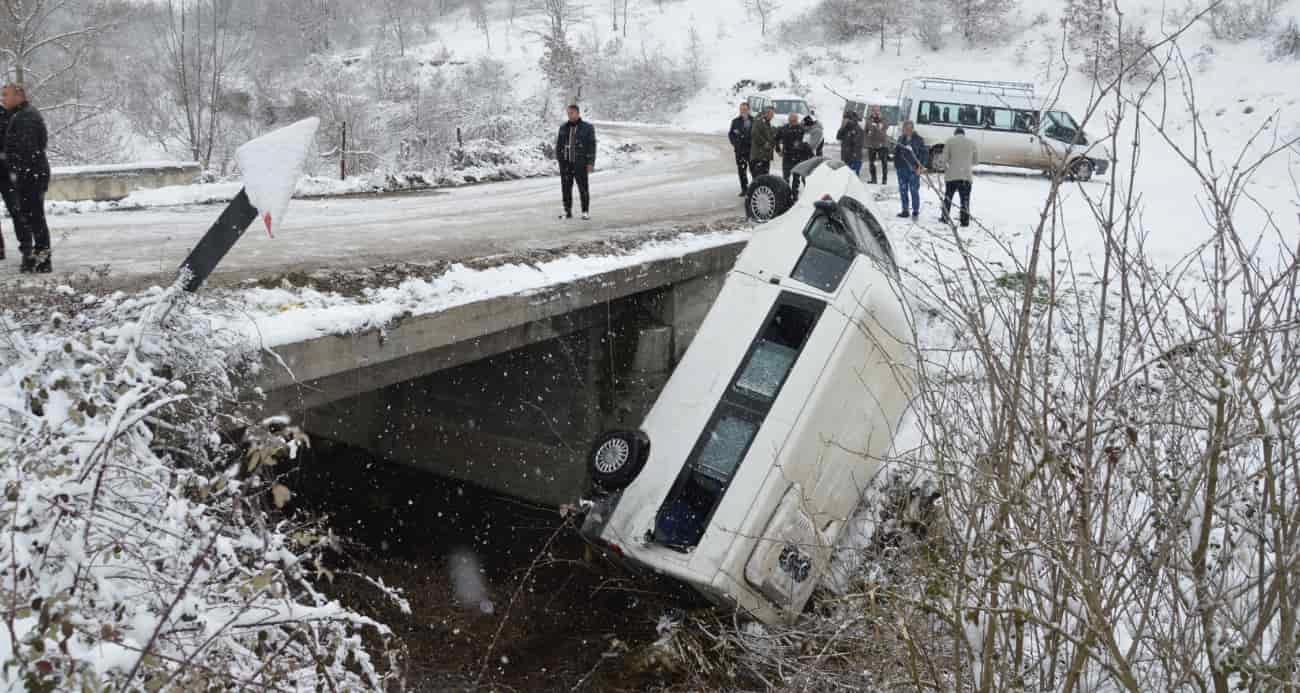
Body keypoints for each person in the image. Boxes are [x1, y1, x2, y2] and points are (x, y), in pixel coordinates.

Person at [2, 83, 50, 272]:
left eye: (6, 95)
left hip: (30, 176)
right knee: (32, 217)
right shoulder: (21, 115)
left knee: (34, 218)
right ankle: (39, 258)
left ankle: (42, 259)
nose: (2, 99)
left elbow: (27, 150)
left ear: (19, 96)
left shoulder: (26, 117)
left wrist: (17, 170)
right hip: (28, 175)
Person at [555, 103, 596, 220]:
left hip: (580, 164)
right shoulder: (563, 127)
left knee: (583, 188)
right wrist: (560, 160)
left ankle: (585, 211)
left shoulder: (587, 128)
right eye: (568, 113)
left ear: (578, 113)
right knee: (566, 188)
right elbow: (559, 146)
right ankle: (567, 211)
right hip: (566, 164)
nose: (569, 115)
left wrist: (590, 163)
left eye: (572, 113)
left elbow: (592, 146)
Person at [941, 127, 979, 227]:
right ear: (964, 134)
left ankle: (945, 217)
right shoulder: (972, 143)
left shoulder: (950, 141)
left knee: (948, 198)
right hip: (966, 176)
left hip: (952, 176)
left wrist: (945, 166)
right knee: (965, 199)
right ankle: (964, 220)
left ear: (955, 133)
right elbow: (975, 161)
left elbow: (944, 159)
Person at [893, 120, 928, 219]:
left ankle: (915, 211)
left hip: (913, 169)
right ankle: (905, 210)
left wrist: (920, 167)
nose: (907, 130)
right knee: (903, 190)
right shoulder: (900, 139)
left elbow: (924, 154)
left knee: (914, 191)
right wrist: (897, 165)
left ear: (912, 129)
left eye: (909, 128)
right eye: (905, 129)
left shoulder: (919, 140)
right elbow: (897, 152)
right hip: (902, 168)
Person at [774, 112, 808, 198]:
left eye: (794, 120)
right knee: (785, 178)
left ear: (797, 120)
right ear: (789, 120)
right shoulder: (784, 128)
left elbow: (806, 144)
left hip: (798, 157)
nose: (793, 122)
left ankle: (795, 195)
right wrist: (778, 149)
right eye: (791, 120)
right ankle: (786, 195)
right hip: (787, 157)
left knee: (796, 179)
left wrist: (801, 147)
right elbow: (776, 138)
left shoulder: (801, 129)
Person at [728, 102, 754, 196]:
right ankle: (744, 189)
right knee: (741, 171)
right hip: (739, 151)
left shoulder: (754, 120)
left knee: (753, 170)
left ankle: (754, 188)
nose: (743, 111)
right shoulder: (735, 121)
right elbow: (731, 134)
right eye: (741, 109)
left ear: (748, 110)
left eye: (745, 109)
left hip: (751, 150)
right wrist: (735, 144)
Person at [749, 105, 776, 177]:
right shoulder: (759, 121)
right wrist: (764, 143)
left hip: (765, 156)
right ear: (766, 113)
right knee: (759, 179)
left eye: (773, 114)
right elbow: (754, 133)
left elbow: (770, 136)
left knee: (764, 178)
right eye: (771, 114)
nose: (772, 116)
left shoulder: (767, 122)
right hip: (759, 156)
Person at [865, 110, 890, 185]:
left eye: (878, 112)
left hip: (883, 145)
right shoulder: (869, 120)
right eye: (874, 112)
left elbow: (885, 127)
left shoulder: (884, 120)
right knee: (872, 163)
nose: (876, 113)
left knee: (884, 163)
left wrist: (879, 122)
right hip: (872, 145)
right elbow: (866, 131)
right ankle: (873, 179)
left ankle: (884, 180)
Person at [835, 112, 864, 176]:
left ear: (851, 119)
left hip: (854, 158)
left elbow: (857, 144)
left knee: (852, 177)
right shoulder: (845, 128)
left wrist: (854, 155)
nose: (844, 120)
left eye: (845, 119)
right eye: (844, 119)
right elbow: (838, 137)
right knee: (845, 176)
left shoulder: (857, 129)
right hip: (845, 156)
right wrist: (842, 128)